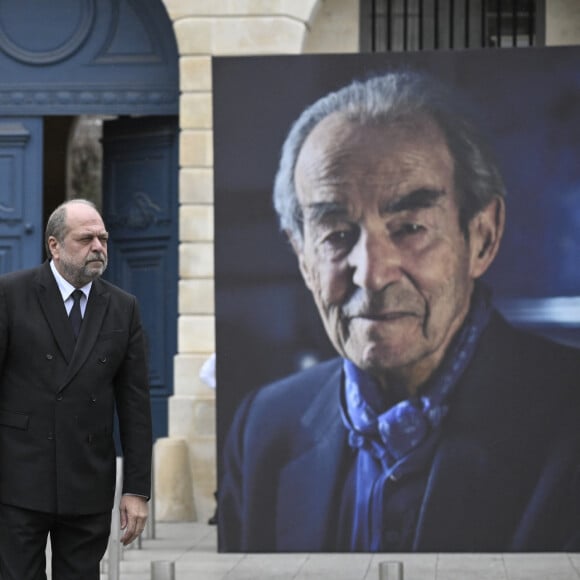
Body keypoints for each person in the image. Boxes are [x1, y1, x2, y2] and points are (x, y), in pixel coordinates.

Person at [218, 71, 580, 553]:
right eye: (337, 234)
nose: (371, 274)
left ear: (483, 238)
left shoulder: (567, 421)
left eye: (410, 226)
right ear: (303, 256)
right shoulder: (264, 427)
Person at [0, 199, 152, 578]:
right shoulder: (11, 294)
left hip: (86, 481)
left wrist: (136, 490)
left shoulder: (123, 307)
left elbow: (135, 405)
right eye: (86, 239)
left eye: (103, 238)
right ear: (54, 245)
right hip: (18, 479)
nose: (98, 247)